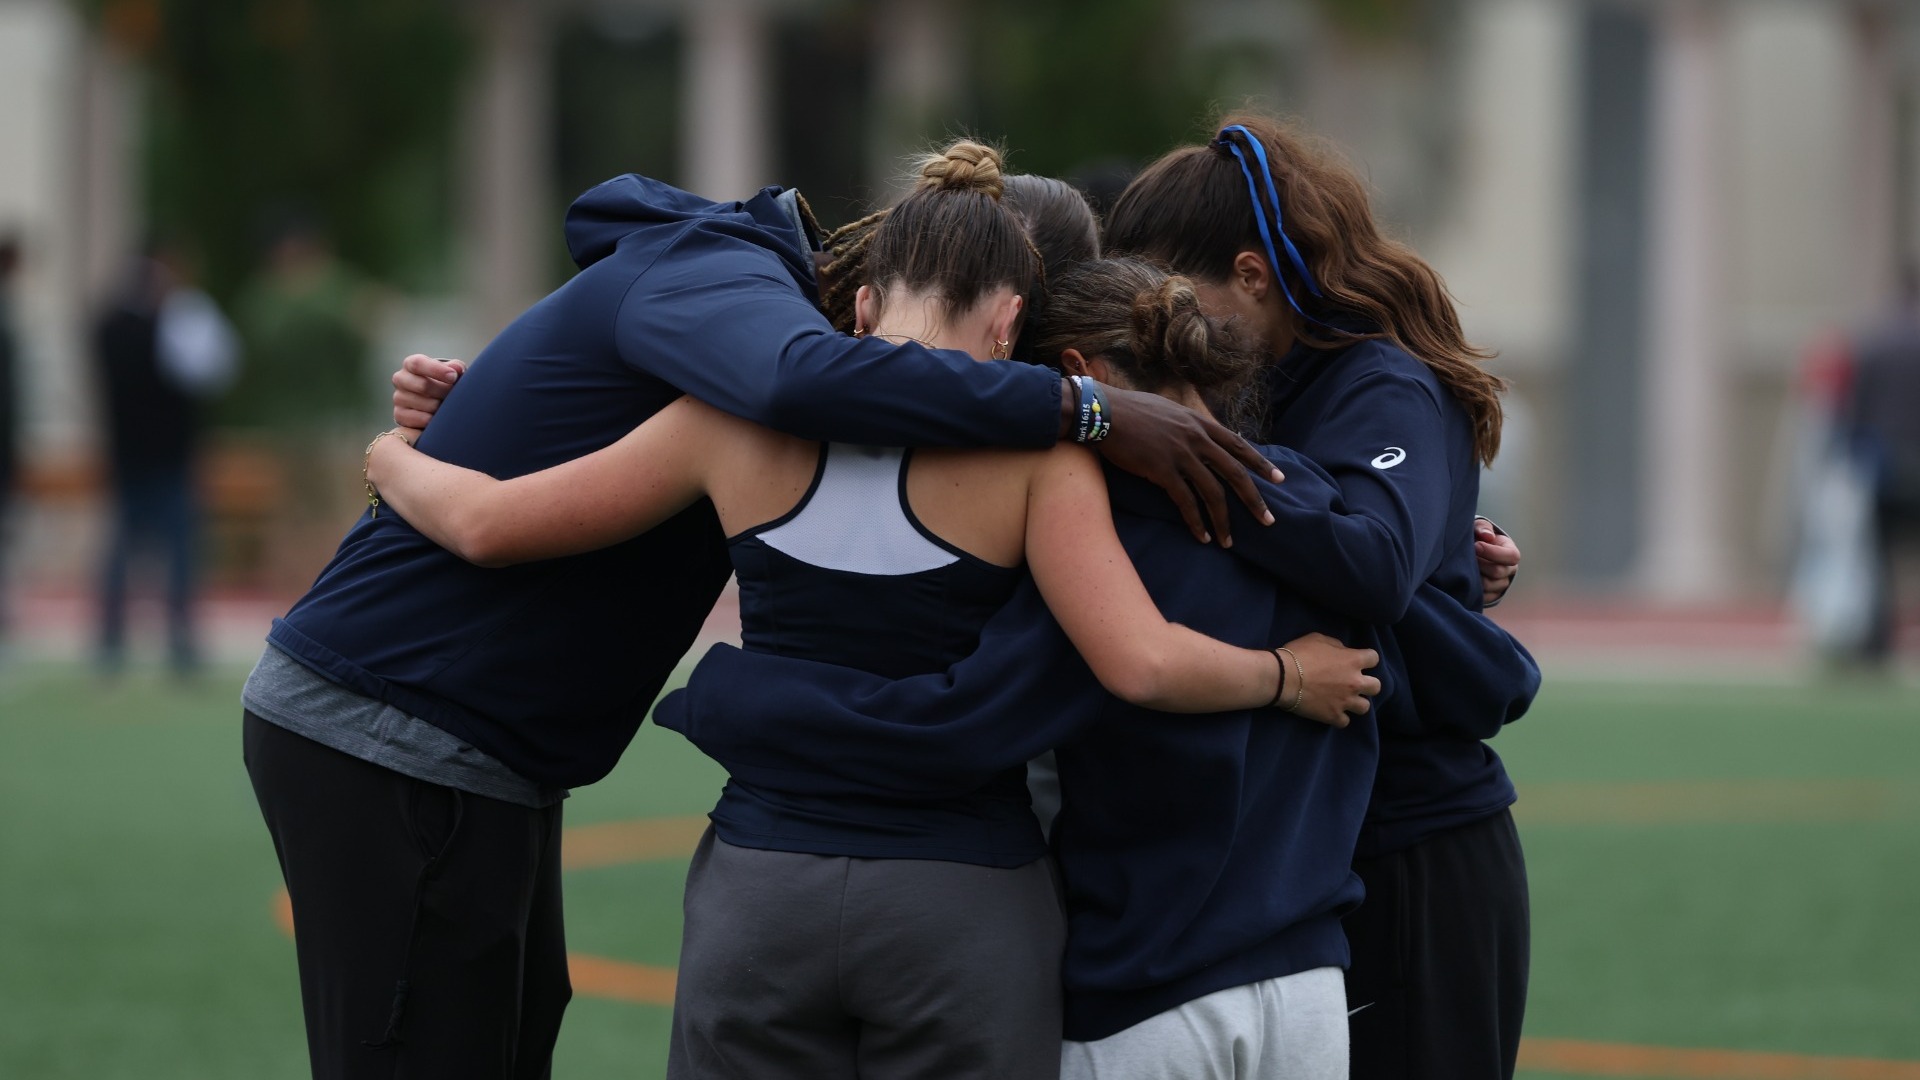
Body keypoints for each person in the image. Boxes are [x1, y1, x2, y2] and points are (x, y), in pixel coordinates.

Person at [243, 149, 1284, 1079]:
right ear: (1009, 319)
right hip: (394, 722)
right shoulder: (733, 291)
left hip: (550, 776)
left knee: (503, 1037)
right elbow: (797, 382)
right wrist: (1086, 410)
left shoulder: (734, 388)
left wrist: (425, 442)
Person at [1103, 114, 1535, 1079]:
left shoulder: (1380, 382)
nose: (1165, 331)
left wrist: (1195, 441)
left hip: (1416, 845)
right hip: (1313, 853)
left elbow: (1376, 561)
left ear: (1253, 276)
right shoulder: (1265, 387)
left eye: (1180, 299)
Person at [94, 243, 238, 673]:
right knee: (168, 550)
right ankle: (168, 641)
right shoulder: (169, 323)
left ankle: (117, 641)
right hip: (164, 453)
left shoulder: (107, 326)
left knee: (136, 549)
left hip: (133, 453)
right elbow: (206, 374)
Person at [1844, 264, 1920, 664]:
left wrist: (1853, 456)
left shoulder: (1876, 341)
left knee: (1879, 556)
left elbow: (1856, 410)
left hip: (1887, 465)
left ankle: (1879, 641)